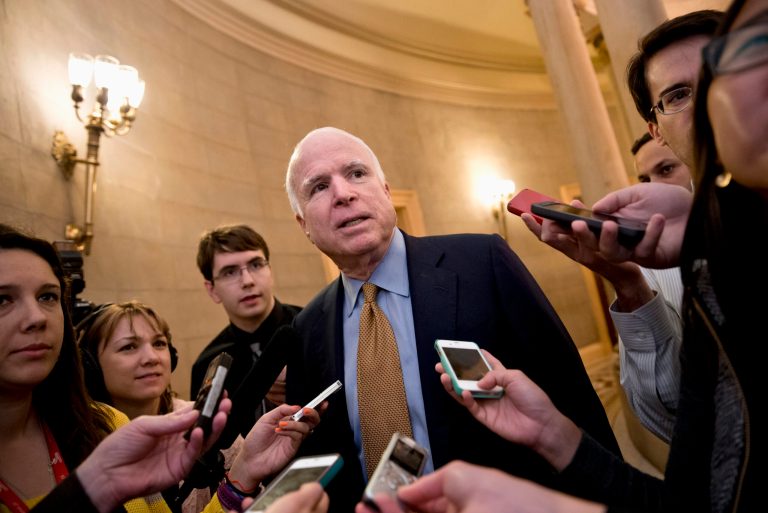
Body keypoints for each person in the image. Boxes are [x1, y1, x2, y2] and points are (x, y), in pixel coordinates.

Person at [395, 2, 764, 510]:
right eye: (677, 95)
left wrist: (711, 231)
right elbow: (689, 489)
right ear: (656, 126)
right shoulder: (694, 265)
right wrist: (556, 436)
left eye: (721, 73)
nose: (706, 104)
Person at [283, 127, 620, 512]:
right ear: (303, 224)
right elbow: (321, 462)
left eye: (357, 173)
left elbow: (572, 400)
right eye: (319, 187)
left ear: (386, 190)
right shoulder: (306, 329)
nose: (343, 193)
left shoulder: (483, 262)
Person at [30, 405, 328, 513]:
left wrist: (245, 471)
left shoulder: (106, 421)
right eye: (4, 299)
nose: (35, 317)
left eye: (47, 297)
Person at [191, 225, 302, 437]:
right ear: (212, 290)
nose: (248, 281)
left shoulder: (313, 328)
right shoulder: (206, 365)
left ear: (270, 271)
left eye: (256, 264)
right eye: (230, 272)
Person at [77, 300, 186, 420]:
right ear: (90, 365)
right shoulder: (71, 437)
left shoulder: (200, 424)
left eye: (159, 344)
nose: (152, 358)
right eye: (129, 347)